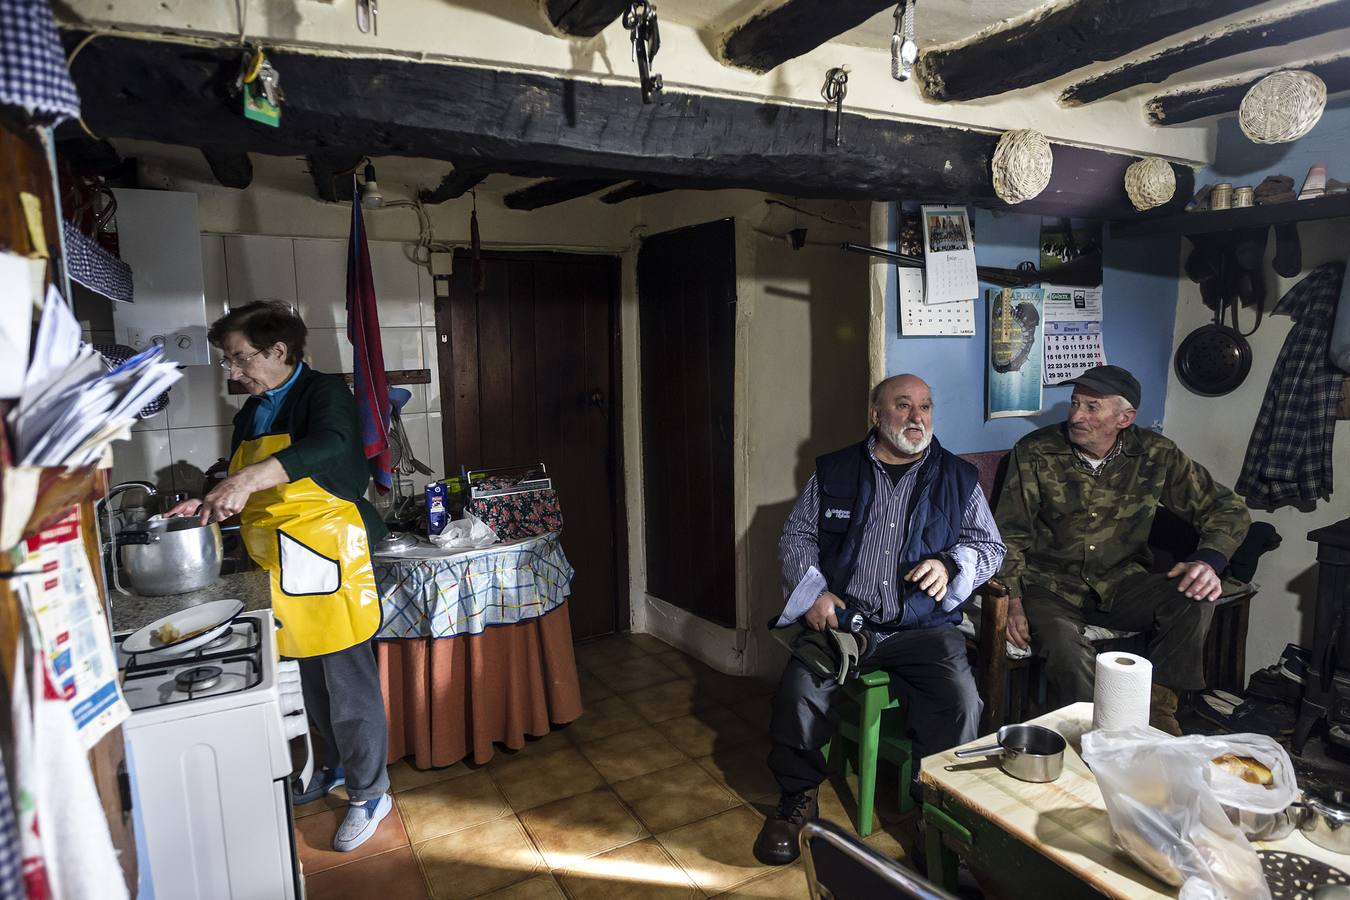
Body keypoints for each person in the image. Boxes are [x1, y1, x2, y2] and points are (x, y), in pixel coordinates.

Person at [753, 374, 1006, 866]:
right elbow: (797, 536)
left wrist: (952, 563)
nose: (918, 418)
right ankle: (797, 801)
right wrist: (815, 594)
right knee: (799, 693)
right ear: (876, 415)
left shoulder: (957, 477)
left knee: (960, 702)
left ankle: (939, 817)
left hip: (923, 627)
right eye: (904, 406)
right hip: (845, 620)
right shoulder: (836, 470)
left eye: (926, 407)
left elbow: (990, 546)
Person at [167, 301, 392, 852]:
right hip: (278, 558)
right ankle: (334, 769)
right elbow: (239, 479)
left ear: (279, 351)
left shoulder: (324, 393)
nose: (234, 371)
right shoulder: (254, 410)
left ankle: (371, 793)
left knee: (347, 682)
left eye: (241, 359)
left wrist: (244, 480)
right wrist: (208, 498)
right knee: (310, 676)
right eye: (230, 361)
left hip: (328, 555)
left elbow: (334, 445)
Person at [994, 365, 1251, 735]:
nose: (1076, 416)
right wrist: (1012, 600)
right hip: (1049, 587)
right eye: (1075, 403)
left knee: (1195, 596)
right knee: (1063, 644)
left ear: (1125, 418)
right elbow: (1009, 533)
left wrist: (1208, 561)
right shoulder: (1036, 452)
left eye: (1092, 407)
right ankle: (1099, 733)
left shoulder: (1156, 454)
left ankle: (1157, 714)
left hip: (1121, 583)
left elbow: (1227, 508)